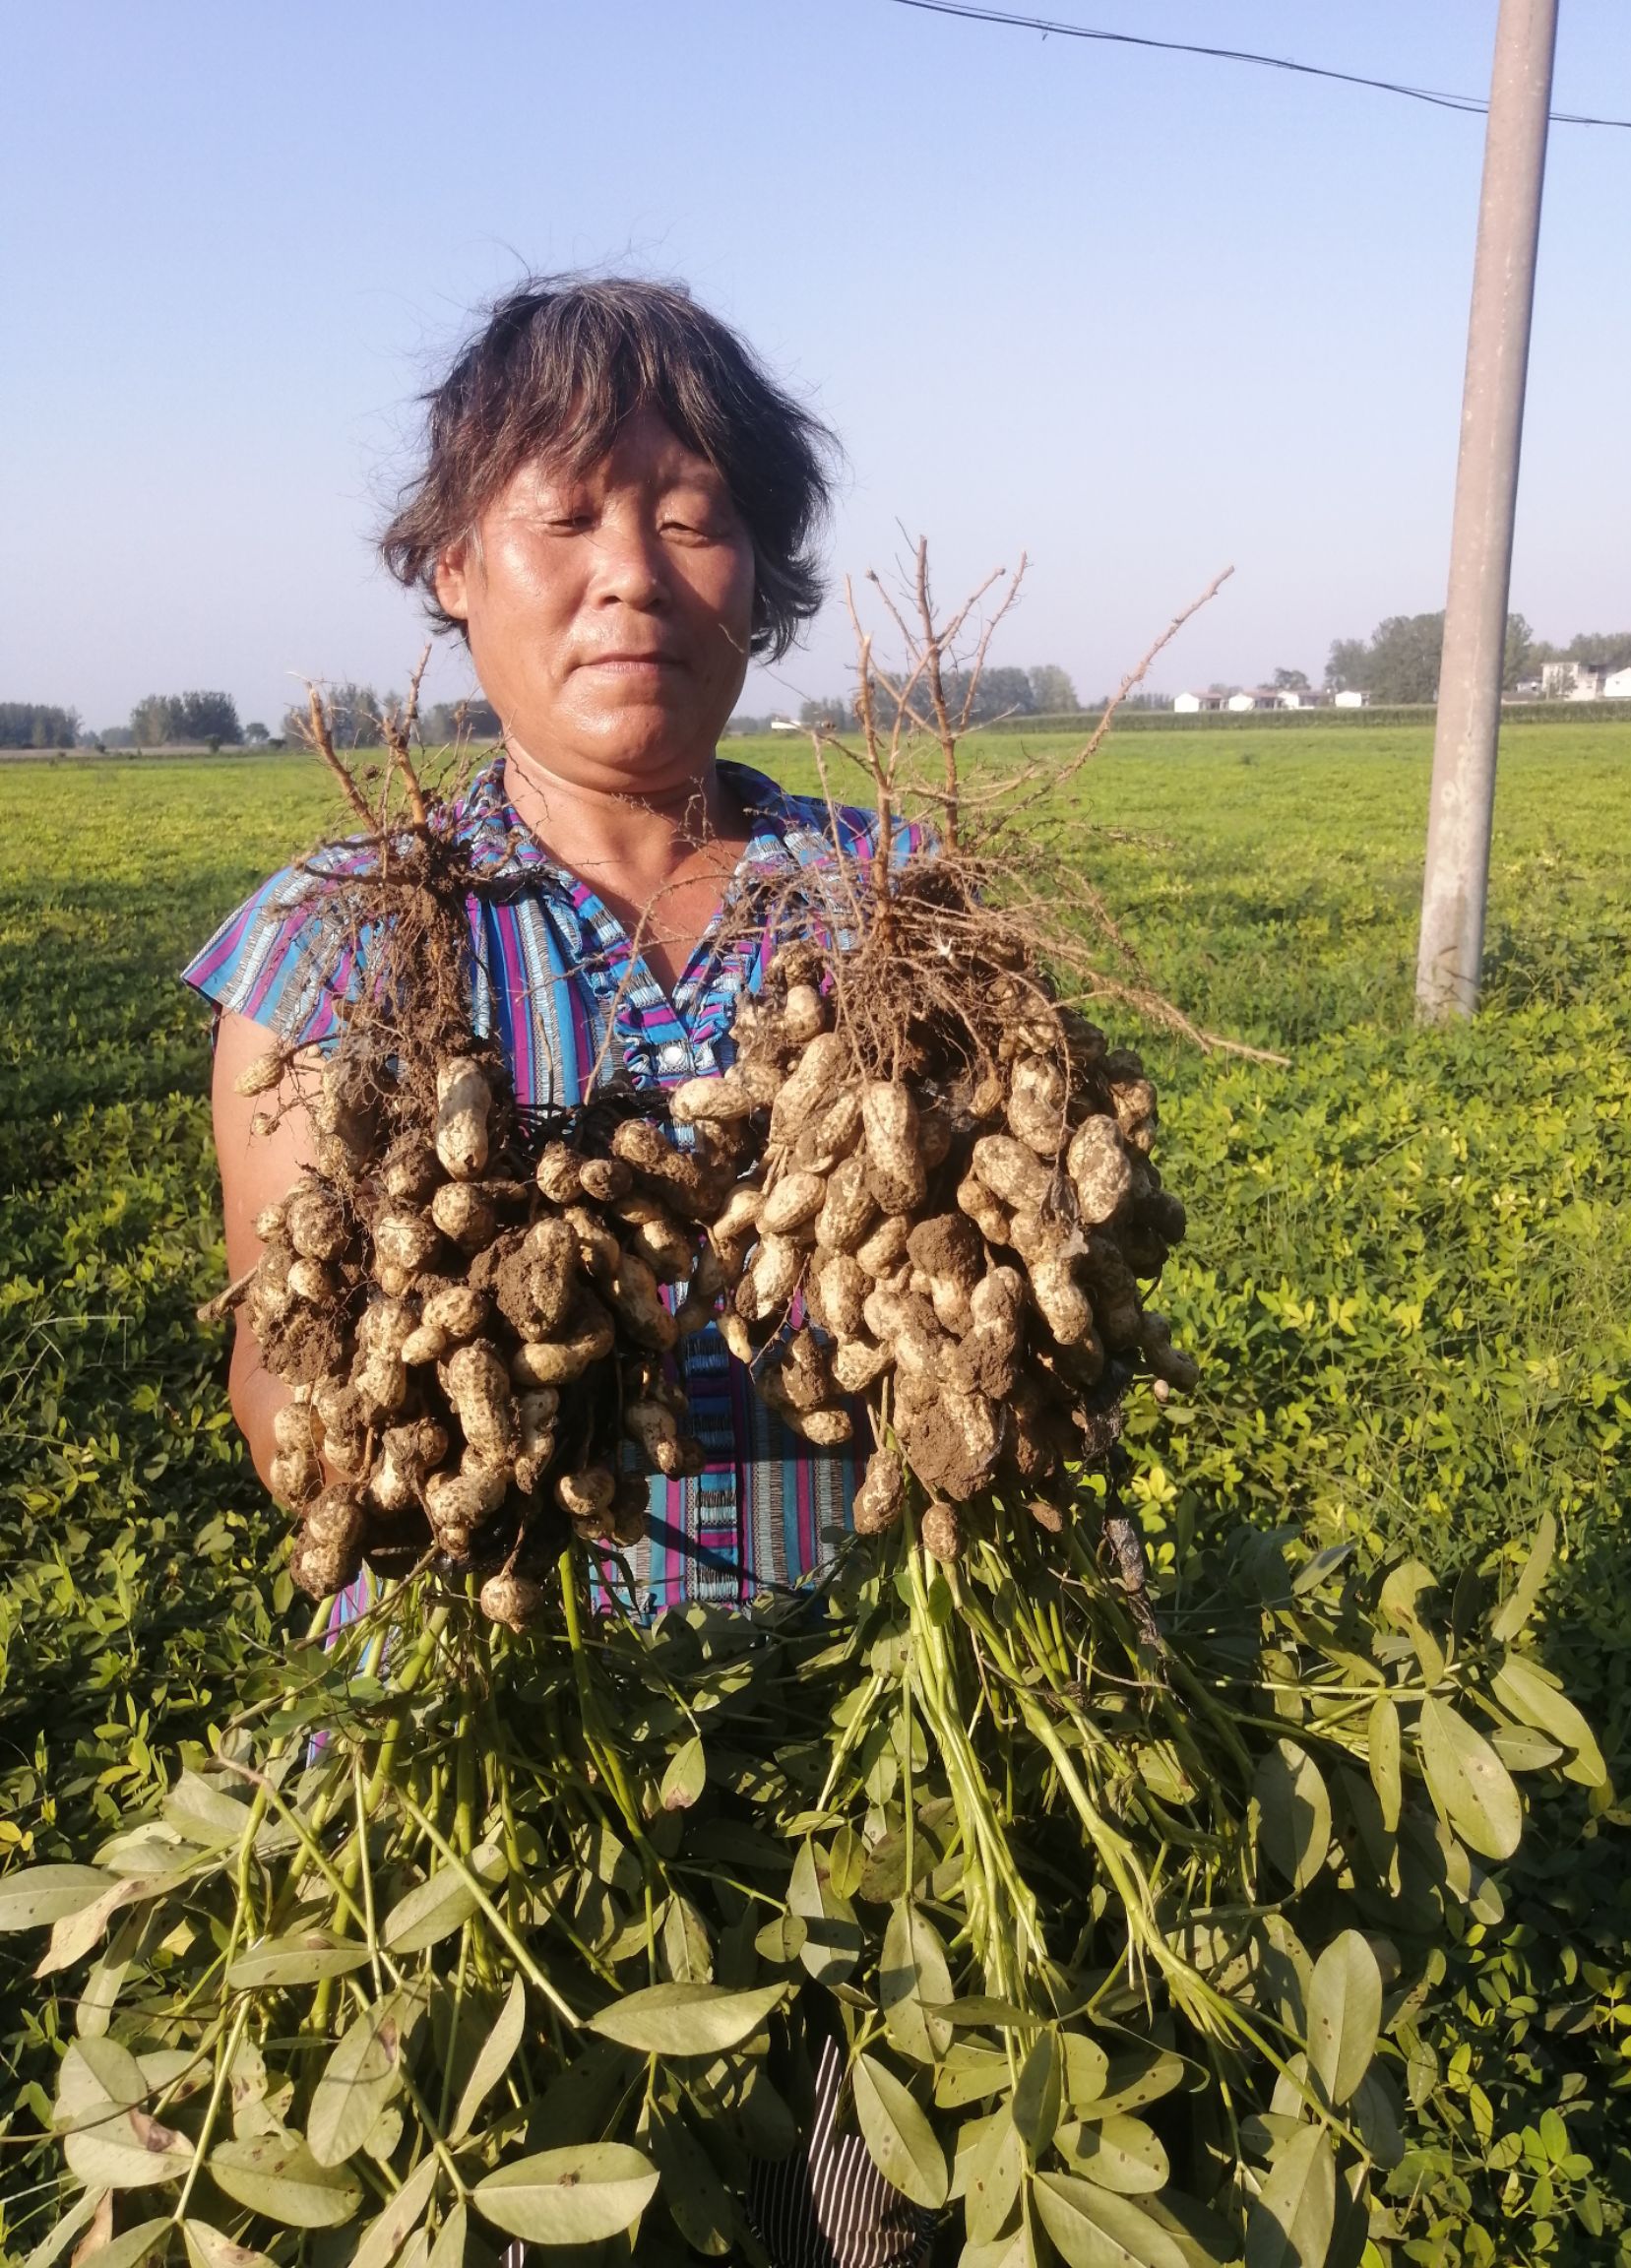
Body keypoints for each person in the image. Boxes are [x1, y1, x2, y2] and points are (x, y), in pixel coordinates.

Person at [184, 275, 934, 2268]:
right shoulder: (330, 947)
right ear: (455, 567)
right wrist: (433, 1393)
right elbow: (286, 1395)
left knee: (865, 2209)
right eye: (567, 517)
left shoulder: (895, 904)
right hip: (504, 1742)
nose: (631, 578)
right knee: (542, 2187)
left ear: (759, 570)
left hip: (874, 1742)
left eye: (691, 516)